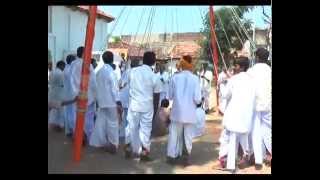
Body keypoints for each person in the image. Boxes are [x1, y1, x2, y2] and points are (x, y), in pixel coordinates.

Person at [218, 57, 256, 173]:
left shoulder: (233, 80)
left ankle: (230, 165)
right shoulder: (252, 80)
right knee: (242, 140)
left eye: (236, 65)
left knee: (229, 139)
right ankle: (242, 158)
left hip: (234, 116)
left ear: (242, 67)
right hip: (246, 117)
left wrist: (222, 84)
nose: (234, 67)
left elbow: (225, 95)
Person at [125, 51, 161, 161]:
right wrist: (155, 110)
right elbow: (156, 96)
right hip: (147, 107)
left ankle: (128, 147)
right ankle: (145, 152)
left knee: (131, 126)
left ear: (143, 60)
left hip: (134, 105)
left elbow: (124, 85)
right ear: (154, 62)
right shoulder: (155, 76)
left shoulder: (132, 71)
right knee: (146, 129)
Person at [166, 55, 202, 166]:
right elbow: (197, 99)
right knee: (188, 135)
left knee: (174, 134)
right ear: (191, 64)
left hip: (177, 112)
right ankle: (186, 156)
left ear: (181, 64)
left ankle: (172, 156)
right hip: (190, 113)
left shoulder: (175, 78)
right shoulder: (195, 78)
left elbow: (170, 96)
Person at [89, 51, 122, 154]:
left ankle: (99, 143)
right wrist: (118, 102)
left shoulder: (98, 72)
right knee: (113, 124)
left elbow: (96, 87)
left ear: (103, 59)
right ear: (112, 59)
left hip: (102, 102)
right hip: (111, 102)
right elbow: (114, 89)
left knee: (100, 123)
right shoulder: (111, 72)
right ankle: (113, 145)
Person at [246, 48, 272, 168]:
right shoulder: (269, 70)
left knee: (255, 130)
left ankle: (256, 156)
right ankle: (269, 154)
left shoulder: (251, 71)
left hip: (255, 104)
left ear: (257, 57)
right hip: (267, 103)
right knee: (267, 129)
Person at [69, 46, 97, 144]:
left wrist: (75, 94)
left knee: (76, 117)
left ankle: (78, 137)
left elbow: (71, 80)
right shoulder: (88, 64)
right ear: (85, 53)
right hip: (88, 96)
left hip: (76, 96)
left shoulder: (72, 64)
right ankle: (88, 138)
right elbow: (93, 82)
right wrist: (95, 95)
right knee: (88, 119)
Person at [119, 59, 140, 145]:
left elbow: (121, 83)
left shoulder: (127, 71)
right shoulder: (136, 73)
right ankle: (129, 138)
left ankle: (122, 134)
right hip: (131, 98)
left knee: (125, 116)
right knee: (130, 118)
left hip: (124, 96)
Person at [48, 60, 66, 131]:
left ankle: (52, 124)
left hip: (51, 93)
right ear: (61, 65)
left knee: (51, 109)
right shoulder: (61, 73)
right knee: (61, 110)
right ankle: (60, 125)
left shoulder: (52, 72)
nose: (64, 67)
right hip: (58, 94)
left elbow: (50, 82)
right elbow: (62, 84)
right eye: (64, 66)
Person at [64, 54, 76, 136]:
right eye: (74, 60)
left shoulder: (67, 69)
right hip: (70, 95)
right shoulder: (69, 70)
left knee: (68, 112)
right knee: (70, 113)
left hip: (68, 94)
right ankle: (70, 130)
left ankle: (69, 130)